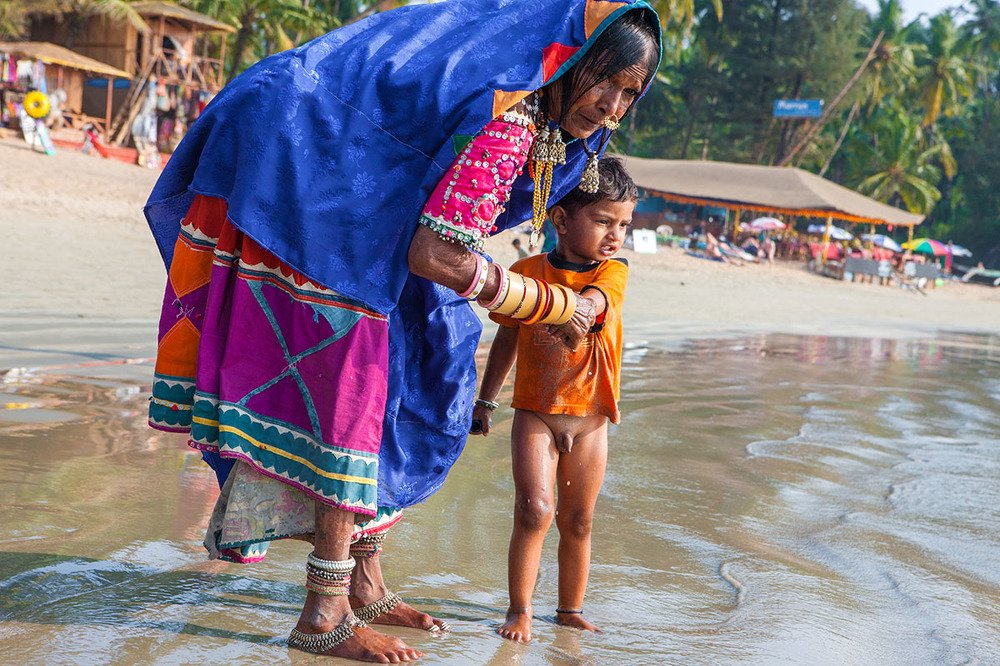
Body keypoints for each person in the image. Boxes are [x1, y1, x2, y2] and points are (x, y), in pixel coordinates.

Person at [143, 1, 661, 662]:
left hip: (334, 177)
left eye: (629, 93)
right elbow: (437, 256)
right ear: (571, 61)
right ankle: (323, 614)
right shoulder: (510, 116)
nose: (612, 105)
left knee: (434, 355)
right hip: (312, 184)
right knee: (351, 400)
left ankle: (365, 580)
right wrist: (554, 307)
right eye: (605, 81)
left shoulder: (533, 114)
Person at [470, 158, 634, 643]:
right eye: (604, 221)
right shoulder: (526, 274)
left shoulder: (613, 273)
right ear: (561, 220)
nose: (615, 235)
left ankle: (568, 608)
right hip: (535, 414)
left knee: (578, 519)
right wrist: (486, 400)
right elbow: (505, 342)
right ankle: (520, 609)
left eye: (624, 224)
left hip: (590, 420)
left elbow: (600, 301)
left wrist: (579, 307)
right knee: (534, 509)